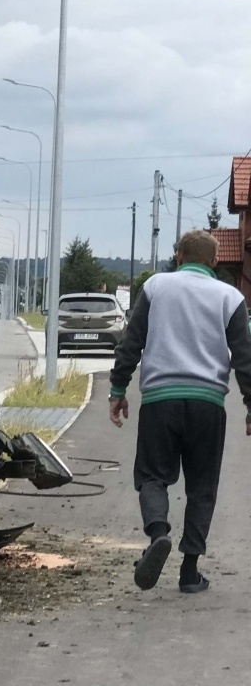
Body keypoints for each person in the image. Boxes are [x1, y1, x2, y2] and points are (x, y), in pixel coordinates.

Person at [109, 228, 251, 593]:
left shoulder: (156, 287)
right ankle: (189, 572)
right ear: (215, 261)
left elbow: (132, 341)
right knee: (202, 486)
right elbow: (245, 360)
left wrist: (117, 388)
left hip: (160, 401)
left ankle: (158, 533)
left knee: (152, 476)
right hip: (208, 404)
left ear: (178, 256)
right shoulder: (231, 297)